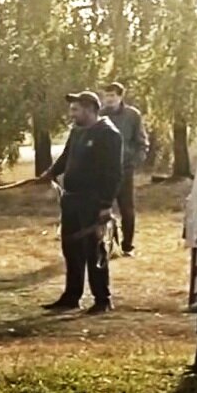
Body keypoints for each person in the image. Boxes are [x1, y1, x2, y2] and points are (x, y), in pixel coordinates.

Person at [36, 91, 123, 314]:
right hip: (72, 199)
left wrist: (105, 205)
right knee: (71, 249)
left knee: (94, 250)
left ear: (90, 109)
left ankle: (102, 299)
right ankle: (71, 297)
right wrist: (49, 174)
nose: (71, 113)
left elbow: (113, 174)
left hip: (93, 202)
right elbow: (66, 158)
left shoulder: (109, 134)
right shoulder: (77, 132)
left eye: (76, 109)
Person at [100, 82, 149, 257]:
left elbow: (141, 142)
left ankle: (127, 245)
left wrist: (134, 161)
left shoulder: (132, 115)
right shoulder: (99, 115)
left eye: (113, 95)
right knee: (101, 207)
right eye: (107, 96)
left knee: (126, 208)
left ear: (120, 96)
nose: (109, 99)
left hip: (124, 169)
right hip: (103, 170)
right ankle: (103, 243)